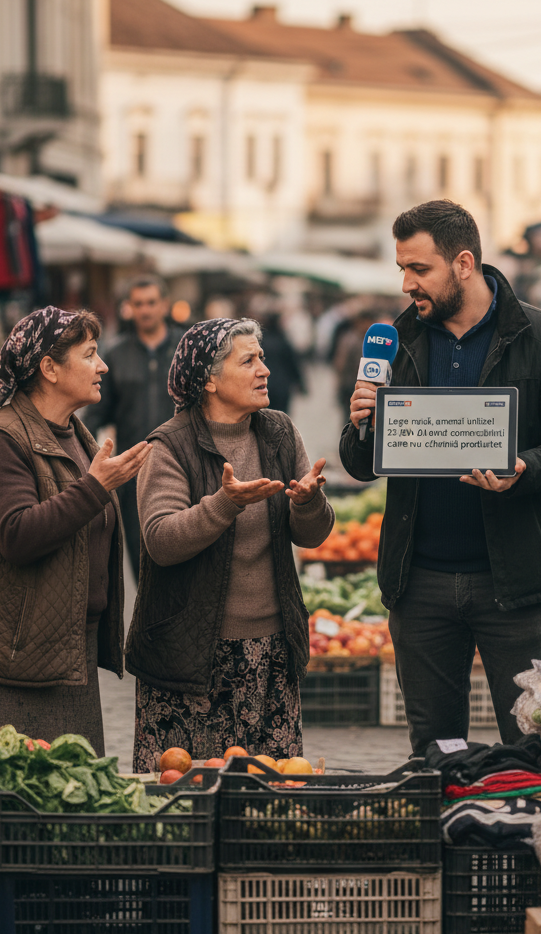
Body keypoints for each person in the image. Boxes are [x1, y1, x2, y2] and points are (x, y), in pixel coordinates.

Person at [340, 200, 541, 754]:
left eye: (419, 269)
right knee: (435, 752)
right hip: (420, 583)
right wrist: (363, 422)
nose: (408, 284)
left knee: (531, 746)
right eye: (402, 270)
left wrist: (526, 466)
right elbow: (360, 466)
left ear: (463, 263)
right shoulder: (397, 341)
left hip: (515, 583)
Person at [0, 307, 150, 759]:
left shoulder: (75, 432)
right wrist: (97, 487)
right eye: (90, 354)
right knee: (6, 805)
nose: (103, 365)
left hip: (68, 652)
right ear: (49, 368)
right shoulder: (0, 441)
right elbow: (17, 535)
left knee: (67, 805)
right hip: (8, 664)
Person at [126, 318, 335, 770]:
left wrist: (309, 503)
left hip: (271, 653)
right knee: (186, 794)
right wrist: (224, 503)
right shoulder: (170, 446)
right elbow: (161, 540)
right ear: (210, 381)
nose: (265, 370)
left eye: (261, 358)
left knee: (268, 794)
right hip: (190, 658)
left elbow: (312, 535)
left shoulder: (278, 431)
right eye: (249, 360)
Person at [82, 276, 183, 579]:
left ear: (164, 305)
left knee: (182, 553)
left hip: (181, 467)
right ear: (129, 308)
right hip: (133, 474)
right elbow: (96, 414)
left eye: (151, 302)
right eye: (138, 304)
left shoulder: (185, 349)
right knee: (142, 561)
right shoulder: (115, 355)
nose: (145, 310)